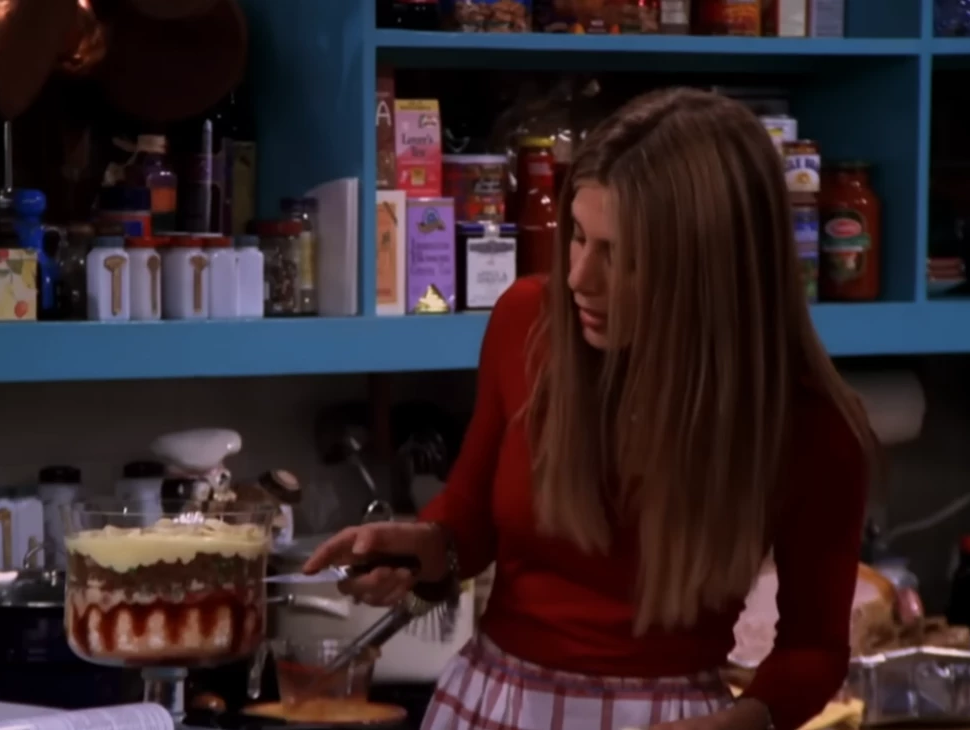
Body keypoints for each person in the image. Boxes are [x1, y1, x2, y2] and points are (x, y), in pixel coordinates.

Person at [303, 87, 873, 730]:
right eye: (577, 237)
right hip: (494, 702)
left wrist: (741, 722)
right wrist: (420, 549)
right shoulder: (527, 326)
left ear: (709, 273)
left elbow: (814, 648)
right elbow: (470, 523)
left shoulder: (809, 425)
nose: (579, 277)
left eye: (620, 256)